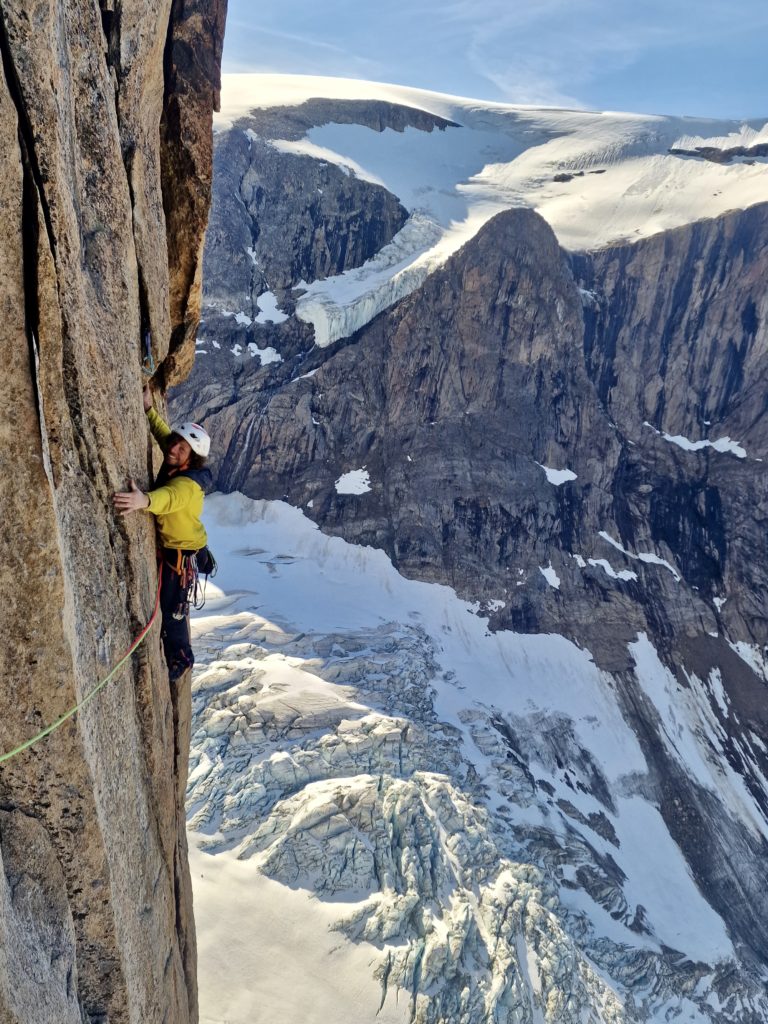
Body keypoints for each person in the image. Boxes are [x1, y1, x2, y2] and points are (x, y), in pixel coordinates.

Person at [113, 385, 213, 681]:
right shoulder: (177, 463)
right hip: (180, 547)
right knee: (170, 605)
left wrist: (143, 501)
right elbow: (164, 439)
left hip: (181, 555)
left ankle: (182, 657)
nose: (173, 449)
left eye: (182, 448)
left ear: (192, 459)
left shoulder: (186, 486)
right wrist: (147, 410)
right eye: (176, 443)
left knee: (173, 609)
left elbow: (169, 498)